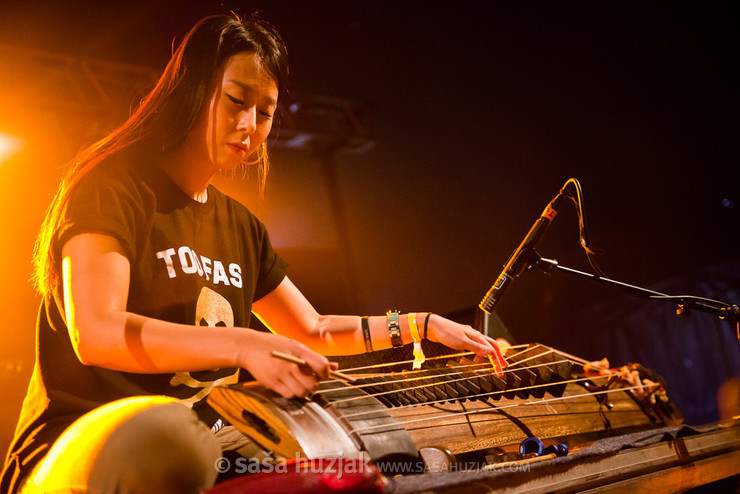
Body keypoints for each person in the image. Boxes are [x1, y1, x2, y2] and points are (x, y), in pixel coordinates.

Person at [1, 12, 503, 493]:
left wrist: (420, 325)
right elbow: (97, 332)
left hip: (202, 443)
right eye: (237, 100)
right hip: (81, 443)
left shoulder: (241, 227)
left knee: (379, 456)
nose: (251, 125)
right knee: (166, 442)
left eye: (265, 112)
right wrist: (243, 345)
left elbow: (313, 330)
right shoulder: (113, 188)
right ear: (192, 91)